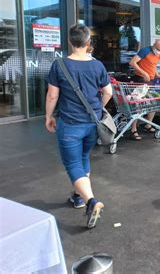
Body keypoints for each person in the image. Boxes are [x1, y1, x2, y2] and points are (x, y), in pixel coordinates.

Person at [45, 24, 113, 229]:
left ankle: (91, 201)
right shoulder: (97, 65)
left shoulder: (60, 65)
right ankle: (78, 197)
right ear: (88, 42)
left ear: (69, 42)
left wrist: (48, 116)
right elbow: (108, 92)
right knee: (83, 159)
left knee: (73, 165)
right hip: (92, 124)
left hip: (70, 125)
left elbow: (52, 95)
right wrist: (97, 110)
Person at [128, 39, 160, 140]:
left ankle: (148, 125)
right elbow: (132, 62)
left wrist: (157, 75)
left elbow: (153, 66)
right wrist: (144, 73)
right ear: (154, 45)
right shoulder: (145, 51)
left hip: (151, 81)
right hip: (140, 80)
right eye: (158, 49)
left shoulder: (158, 53)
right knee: (137, 105)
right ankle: (133, 129)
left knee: (154, 103)